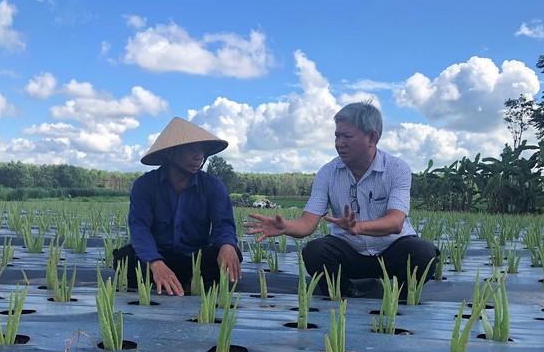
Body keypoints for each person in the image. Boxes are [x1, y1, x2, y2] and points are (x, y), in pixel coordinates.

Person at [245, 101, 439, 298]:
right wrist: (287, 227)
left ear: (372, 137)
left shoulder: (397, 169)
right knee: (315, 251)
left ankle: (402, 299)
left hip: (391, 249)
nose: (339, 143)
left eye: (347, 136)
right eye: (337, 136)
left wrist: (359, 227)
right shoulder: (327, 173)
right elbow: (307, 223)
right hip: (350, 253)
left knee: (424, 253)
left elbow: (396, 222)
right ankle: (346, 295)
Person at [114, 117, 242, 296]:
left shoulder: (213, 186)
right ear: (170, 154)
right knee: (124, 259)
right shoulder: (144, 185)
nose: (199, 156)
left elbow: (224, 225)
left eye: (201, 150)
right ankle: (160, 281)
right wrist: (155, 262)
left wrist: (228, 245)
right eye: (191, 149)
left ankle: (192, 286)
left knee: (228, 253)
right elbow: (139, 229)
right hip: (158, 258)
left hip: (194, 259)